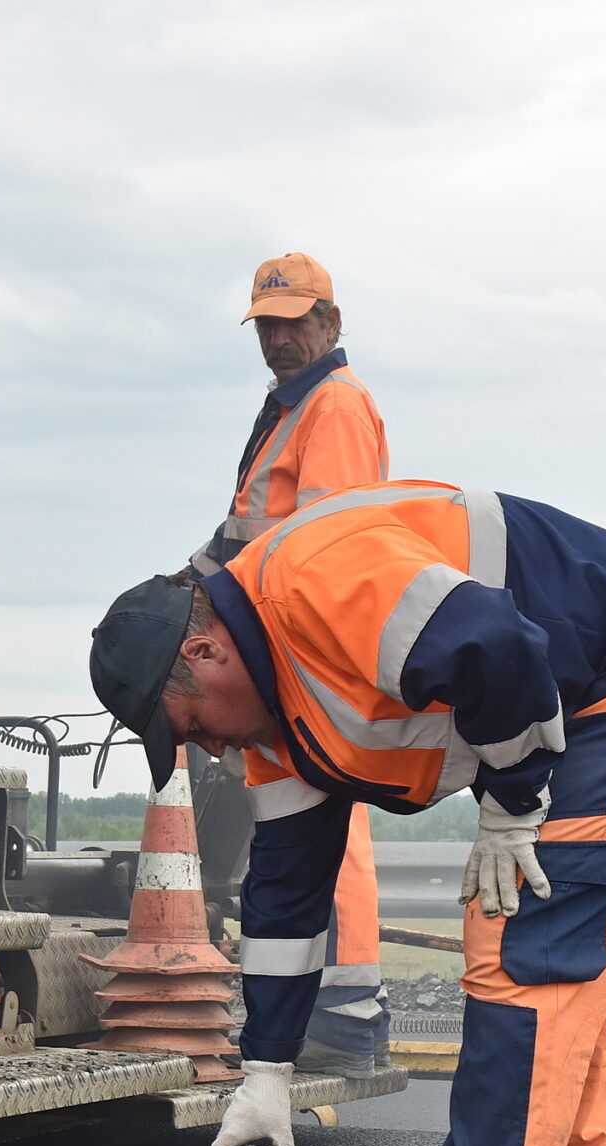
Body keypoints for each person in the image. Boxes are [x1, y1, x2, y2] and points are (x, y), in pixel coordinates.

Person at [89, 481, 606, 1146]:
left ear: (209, 651)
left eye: (191, 726)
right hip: (588, 703)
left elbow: (500, 644)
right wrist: (267, 1073)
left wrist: (512, 806)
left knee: (528, 951)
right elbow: (287, 895)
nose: (205, 748)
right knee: (560, 962)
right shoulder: (276, 724)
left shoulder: (319, 584)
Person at [197, 254, 393, 1078]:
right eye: (268, 324)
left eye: (295, 321)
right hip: (280, 645)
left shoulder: (335, 407)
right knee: (300, 823)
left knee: (322, 824)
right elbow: (251, 531)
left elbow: (323, 549)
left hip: (306, 650)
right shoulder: (293, 407)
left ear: (332, 322)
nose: (280, 337)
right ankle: (326, 1007)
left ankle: (344, 1011)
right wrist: (193, 586)